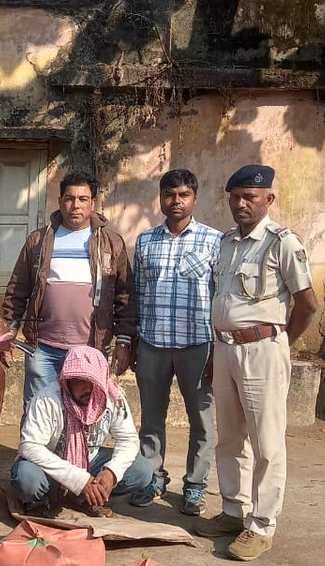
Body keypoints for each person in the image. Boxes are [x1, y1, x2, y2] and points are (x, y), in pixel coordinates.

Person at [195, 164, 319, 562]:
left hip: (263, 349)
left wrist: (279, 341)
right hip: (226, 349)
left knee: (267, 441)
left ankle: (262, 525)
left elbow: (307, 305)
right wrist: (218, 352)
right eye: (235, 197)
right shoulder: (228, 242)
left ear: (269, 199)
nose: (241, 204)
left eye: (250, 196)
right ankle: (234, 510)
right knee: (230, 436)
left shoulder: (283, 242)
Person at [1, 170, 136, 412]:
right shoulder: (39, 241)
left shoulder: (111, 243)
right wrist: (7, 332)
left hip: (90, 348)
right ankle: (34, 452)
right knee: (37, 411)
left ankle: (74, 452)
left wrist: (123, 342)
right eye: (69, 198)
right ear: (60, 201)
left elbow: (125, 296)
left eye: (83, 199)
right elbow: (18, 289)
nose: (76, 205)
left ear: (93, 203)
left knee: (83, 413)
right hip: (42, 348)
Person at [132, 169, 219, 515]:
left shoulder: (215, 241)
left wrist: (218, 348)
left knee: (201, 421)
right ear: (160, 198)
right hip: (152, 344)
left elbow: (220, 294)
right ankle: (152, 478)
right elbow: (138, 293)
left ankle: (195, 487)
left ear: (194, 198)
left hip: (197, 346)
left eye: (183, 195)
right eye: (169, 194)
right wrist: (135, 341)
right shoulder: (145, 242)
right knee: (152, 418)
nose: (176, 201)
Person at [10, 346, 153, 517]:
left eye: (93, 381)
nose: (88, 388)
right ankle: (38, 502)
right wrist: (79, 480)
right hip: (50, 469)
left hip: (91, 465)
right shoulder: (46, 399)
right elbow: (30, 446)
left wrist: (111, 472)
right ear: (67, 380)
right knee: (26, 478)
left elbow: (129, 440)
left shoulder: (113, 398)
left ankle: (88, 498)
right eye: (79, 381)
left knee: (142, 471)